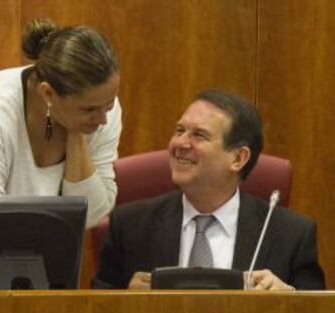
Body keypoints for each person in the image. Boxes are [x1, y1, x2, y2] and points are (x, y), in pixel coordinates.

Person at [0, 18, 122, 289]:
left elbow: (92, 214)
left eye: (108, 105)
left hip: (21, 264)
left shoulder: (98, 109)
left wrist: (77, 136)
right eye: (89, 110)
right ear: (48, 93)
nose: (103, 120)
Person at [94, 89, 325, 290]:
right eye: (179, 130)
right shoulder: (131, 226)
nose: (180, 144)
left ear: (238, 158)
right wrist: (124, 300)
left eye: (199, 135)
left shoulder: (291, 234)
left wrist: (289, 299)